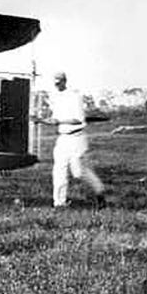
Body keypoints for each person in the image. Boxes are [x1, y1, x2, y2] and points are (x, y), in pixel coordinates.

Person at [46, 71, 106, 208]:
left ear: (65, 81)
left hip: (77, 138)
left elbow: (78, 120)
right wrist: (42, 121)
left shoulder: (74, 96)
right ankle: (59, 203)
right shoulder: (55, 98)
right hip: (62, 139)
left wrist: (58, 121)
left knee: (78, 173)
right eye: (55, 83)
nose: (57, 85)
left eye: (59, 82)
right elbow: (55, 119)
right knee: (58, 172)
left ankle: (100, 191)